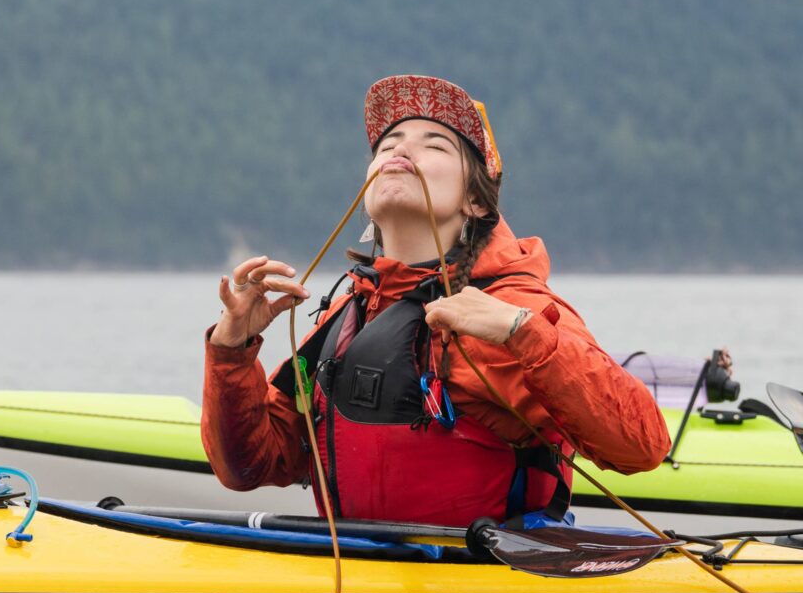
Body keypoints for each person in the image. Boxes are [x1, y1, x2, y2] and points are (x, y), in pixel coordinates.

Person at [200, 75, 669, 528]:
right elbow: (247, 467)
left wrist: (524, 332)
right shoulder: (348, 316)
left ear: (476, 202)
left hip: (488, 589)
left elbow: (643, 444)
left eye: (435, 144)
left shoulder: (511, 307)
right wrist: (232, 350)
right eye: (389, 144)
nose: (400, 149)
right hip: (362, 588)